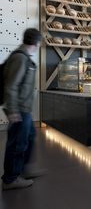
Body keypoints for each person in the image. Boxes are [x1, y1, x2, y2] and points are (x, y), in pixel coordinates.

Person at [1, 28, 41, 190]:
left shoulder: (24, 57)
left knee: (29, 137)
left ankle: (21, 170)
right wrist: (12, 110)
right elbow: (11, 86)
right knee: (18, 143)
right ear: (37, 42)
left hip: (25, 109)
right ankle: (11, 179)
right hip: (19, 109)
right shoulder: (20, 58)